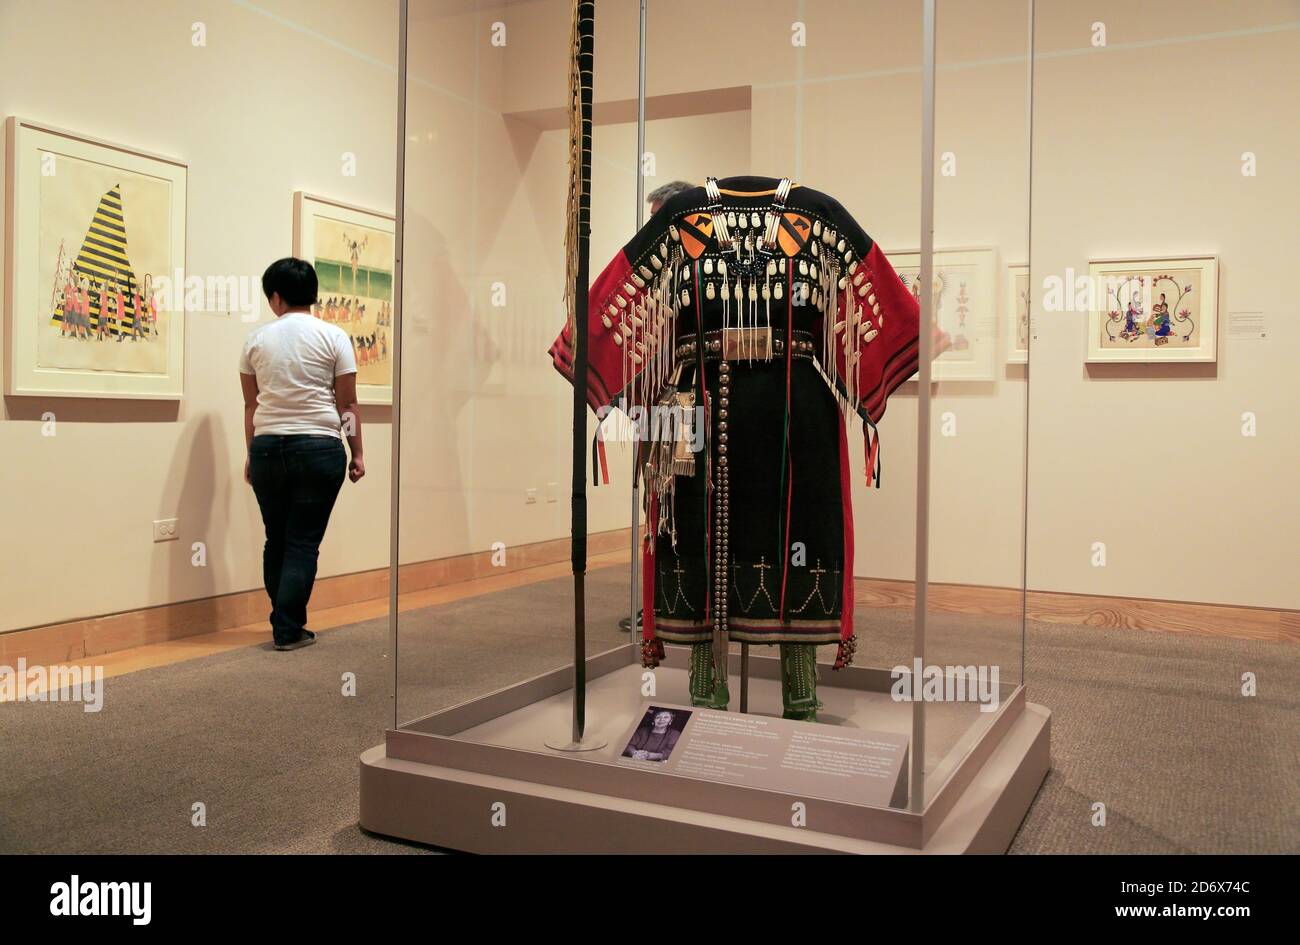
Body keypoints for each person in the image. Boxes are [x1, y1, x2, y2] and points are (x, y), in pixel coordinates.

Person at [239, 257, 365, 651]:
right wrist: (356, 451)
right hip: (318, 447)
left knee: (275, 539)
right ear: (312, 294)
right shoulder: (334, 338)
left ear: (276, 297)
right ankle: (287, 628)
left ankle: (284, 621)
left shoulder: (255, 341)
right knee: (303, 542)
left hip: (267, 448)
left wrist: (251, 454)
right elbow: (348, 404)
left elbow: (251, 407)